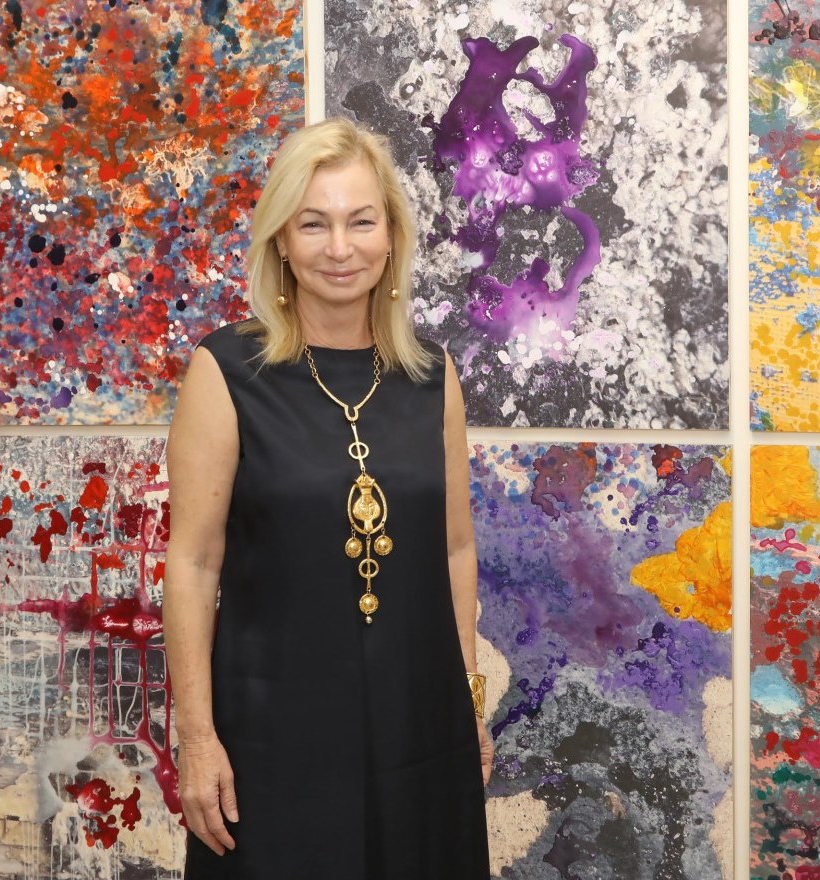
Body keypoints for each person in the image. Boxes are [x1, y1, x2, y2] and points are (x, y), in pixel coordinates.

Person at [163, 117, 493, 879]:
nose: (339, 248)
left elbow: (453, 548)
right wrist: (197, 738)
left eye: (360, 221)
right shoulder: (225, 371)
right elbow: (194, 564)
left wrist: (469, 705)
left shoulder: (432, 377)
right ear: (281, 239)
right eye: (313, 223)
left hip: (420, 727)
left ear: (391, 236)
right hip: (271, 738)